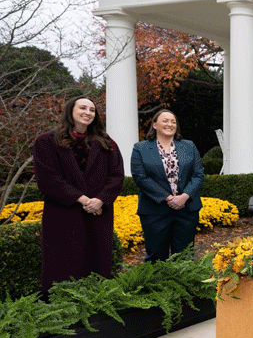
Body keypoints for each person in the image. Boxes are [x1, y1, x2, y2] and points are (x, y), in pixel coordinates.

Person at [33, 96, 124, 293]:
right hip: (63, 215)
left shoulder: (107, 144)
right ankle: (61, 309)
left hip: (97, 215)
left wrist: (100, 200)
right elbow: (47, 178)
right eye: (83, 108)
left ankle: (96, 310)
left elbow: (116, 176)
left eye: (92, 110)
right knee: (63, 265)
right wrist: (81, 199)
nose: (88, 113)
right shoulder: (47, 142)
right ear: (70, 111)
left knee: (96, 264)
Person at [130, 109, 204, 262]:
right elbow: (140, 178)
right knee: (156, 257)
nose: (170, 124)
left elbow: (198, 174)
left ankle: (184, 286)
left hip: (186, 210)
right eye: (165, 121)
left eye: (173, 121)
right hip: (154, 211)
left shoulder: (189, 146)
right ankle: (156, 286)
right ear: (155, 125)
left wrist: (184, 196)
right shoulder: (140, 148)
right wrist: (168, 198)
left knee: (184, 257)